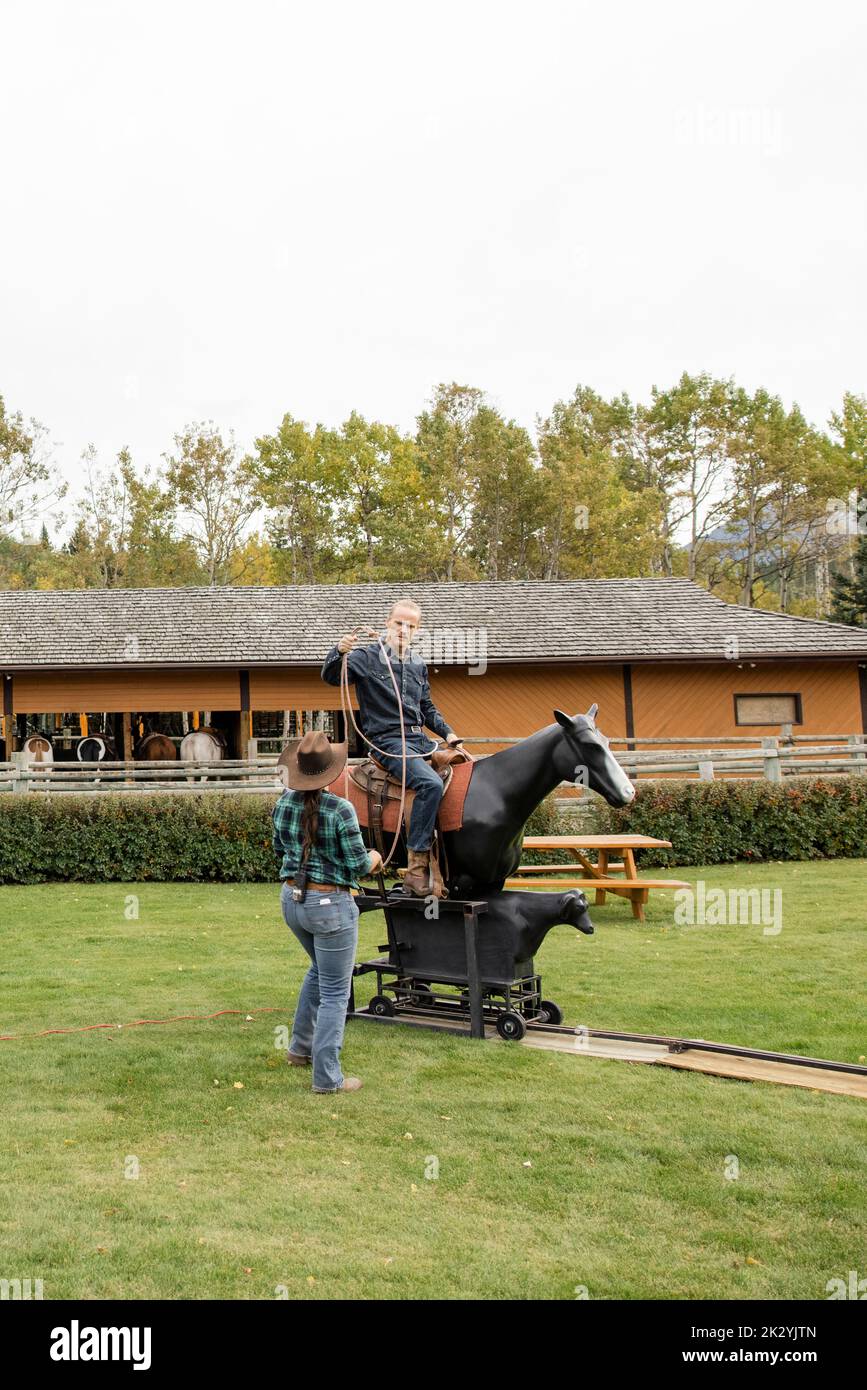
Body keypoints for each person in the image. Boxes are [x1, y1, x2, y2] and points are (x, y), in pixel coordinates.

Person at [321, 598, 463, 896]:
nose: (403, 630)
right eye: (399, 623)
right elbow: (332, 677)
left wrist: (448, 733)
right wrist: (338, 651)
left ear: (417, 630)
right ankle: (416, 869)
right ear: (388, 623)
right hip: (388, 742)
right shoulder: (365, 657)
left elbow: (426, 708)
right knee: (430, 784)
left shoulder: (417, 664)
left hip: (421, 742)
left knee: (462, 774)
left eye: (411, 626)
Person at [273, 729, 383, 1094]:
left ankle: (299, 1049)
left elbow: (279, 848)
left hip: (292, 901)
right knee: (337, 991)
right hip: (329, 907)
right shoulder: (340, 809)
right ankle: (327, 1078)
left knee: (319, 972)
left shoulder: (283, 804)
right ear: (330, 772)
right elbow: (358, 865)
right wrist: (376, 857)